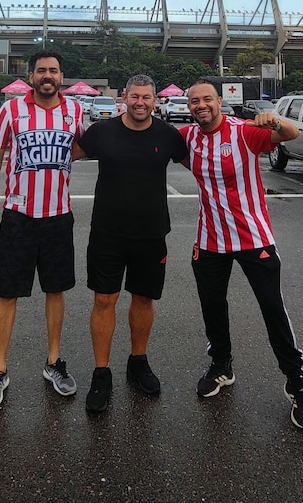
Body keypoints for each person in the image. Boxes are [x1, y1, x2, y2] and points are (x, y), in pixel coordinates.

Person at [179, 78, 303, 431]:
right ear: (188, 106)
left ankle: (295, 381)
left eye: (207, 99)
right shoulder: (188, 138)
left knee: (272, 308)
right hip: (210, 240)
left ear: (219, 101)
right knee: (213, 305)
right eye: (194, 101)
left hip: (253, 237)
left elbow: (290, 135)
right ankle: (221, 366)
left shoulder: (242, 132)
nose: (201, 105)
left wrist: (274, 119)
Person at [73, 74, 189, 414]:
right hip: (107, 232)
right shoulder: (102, 132)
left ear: (156, 100)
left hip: (152, 233)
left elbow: (204, 164)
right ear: (123, 97)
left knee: (143, 298)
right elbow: (64, 155)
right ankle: (101, 373)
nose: (140, 102)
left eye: (147, 97)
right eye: (134, 96)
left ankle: (138, 362)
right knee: (104, 299)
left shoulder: (168, 135)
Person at [0, 49, 86, 411]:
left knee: (55, 290)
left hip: (58, 216)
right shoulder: (11, 110)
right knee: (7, 292)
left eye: (53, 70)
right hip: (19, 216)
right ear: (32, 75)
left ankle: (53, 362)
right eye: (41, 70)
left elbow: (84, 148)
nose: (48, 76)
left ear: (61, 76)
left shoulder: (74, 110)